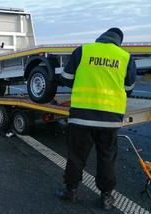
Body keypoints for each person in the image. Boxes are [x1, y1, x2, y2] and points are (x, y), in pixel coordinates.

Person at [57, 28, 136, 210]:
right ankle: (106, 198)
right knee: (107, 158)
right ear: (119, 41)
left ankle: (71, 191)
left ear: (101, 37)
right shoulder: (125, 57)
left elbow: (66, 78)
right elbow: (128, 87)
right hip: (110, 120)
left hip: (82, 118)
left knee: (76, 157)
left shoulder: (84, 50)